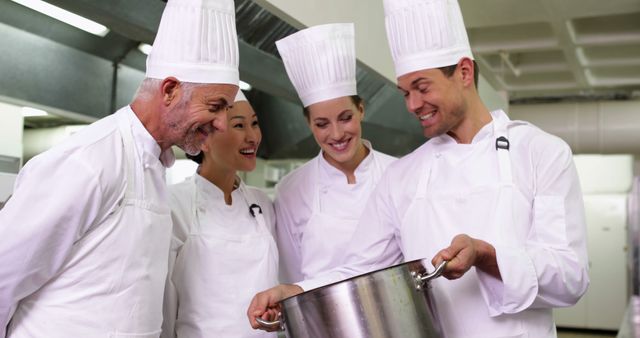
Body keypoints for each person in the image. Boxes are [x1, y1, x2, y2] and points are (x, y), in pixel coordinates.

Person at [248, 0, 589, 336]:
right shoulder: (403, 175)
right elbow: (360, 268)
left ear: (464, 73)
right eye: (405, 92)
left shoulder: (541, 153)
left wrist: (486, 256)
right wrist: (294, 292)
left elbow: (571, 278)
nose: (412, 105)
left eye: (422, 88)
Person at [0, 0, 240, 337]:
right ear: (169, 90)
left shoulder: (157, 166)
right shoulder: (89, 161)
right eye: (215, 107)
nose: (222, 124)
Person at [270, 23, 396, 286]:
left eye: (345, 117)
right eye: (322, 124)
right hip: (322, 320)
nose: (337, 134)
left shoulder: (398, 174)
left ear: (361, 109)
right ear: (309, 124)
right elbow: (293, 276)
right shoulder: (291, 190)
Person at [161, 91, 278, 338]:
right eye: (238, 125)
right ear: (202, 139)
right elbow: (164, 305)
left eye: (254, 124)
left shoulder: (262, 204)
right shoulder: (174, 205)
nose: (252, 137)